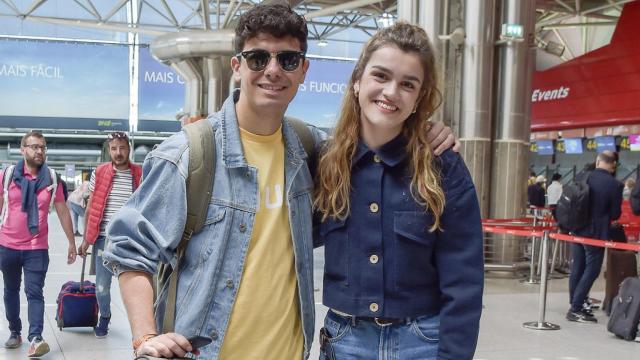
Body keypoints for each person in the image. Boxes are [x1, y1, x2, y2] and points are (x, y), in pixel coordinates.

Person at [102, 4, 455, 359]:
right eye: (258, 58)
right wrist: (146, 335)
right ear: (237, 66)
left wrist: (423, 130)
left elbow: (370, 142)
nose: (272, 70)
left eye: (287, 60)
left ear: (303, 70)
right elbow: (131, 247)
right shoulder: (187, 154)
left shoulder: (312, 150)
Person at [314, 22, 484, 360]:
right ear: (357, 81)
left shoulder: (442, 166)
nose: (391, 92)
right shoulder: (324, 162)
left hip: (423, 341)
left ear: (420, 97)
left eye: (408, 84)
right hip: (345, 340)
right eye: (381, 76)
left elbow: (464, 281)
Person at [0, 131, 77, 358]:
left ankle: (36, 338)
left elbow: (63, 212)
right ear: (22, 149)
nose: (39, 151)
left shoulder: (52, 178)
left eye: (42, 147)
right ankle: (15, 331)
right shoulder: (8, 175)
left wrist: (72, 242)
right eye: (34, 147)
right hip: (7, 245)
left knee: (34, 292)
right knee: (10, 291)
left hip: (36, 247)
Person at [77, 131, 142, 338]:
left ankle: (140, 326)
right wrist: (87, 239)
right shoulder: (100, 172)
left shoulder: (139, 173)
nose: (118, 152)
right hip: (103, 239)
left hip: (130, 240)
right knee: (102, 287)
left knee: (133, 287)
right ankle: (104, 316)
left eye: (122, 148)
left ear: (128, 148)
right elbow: (91, 207)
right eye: (114, 149)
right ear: (109, 150)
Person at [567, 150, 623, 323]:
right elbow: (615, 213)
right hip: (596, 233)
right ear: (613, 165)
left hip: (577, 229)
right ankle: (576, 308)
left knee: (577, 268)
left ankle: (576, 302)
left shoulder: (584, 176)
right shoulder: (615, 185)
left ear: (598, 161)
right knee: (592, 270)